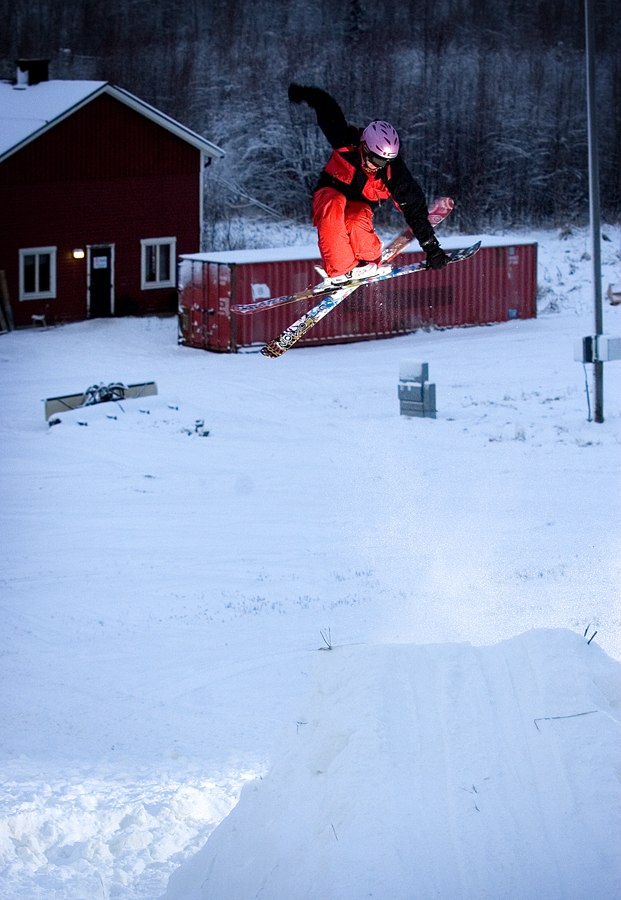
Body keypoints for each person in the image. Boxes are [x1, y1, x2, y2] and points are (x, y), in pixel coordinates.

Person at [288, 83, 450, 285]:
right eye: (374, 159)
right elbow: (328, 109)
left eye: (384, 161)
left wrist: (431, 247)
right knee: (334, 204)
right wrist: (307, 94)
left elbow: (414, 208)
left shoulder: (393, 172)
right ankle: (341, 269)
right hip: (329, 192)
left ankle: (367, 262)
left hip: (360, 204)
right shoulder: (345, 140)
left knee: (356, 220)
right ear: (364, 146)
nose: (376, 166)